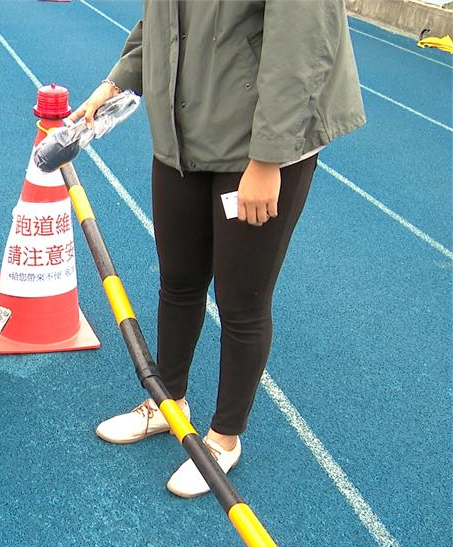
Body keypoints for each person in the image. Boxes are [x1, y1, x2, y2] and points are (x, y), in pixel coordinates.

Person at [70, 0, 365, 497]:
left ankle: (225, 438)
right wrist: (116, 82)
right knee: (179, 278)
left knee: (241, 299)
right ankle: (168, 404)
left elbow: (301, 49)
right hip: (184, 127)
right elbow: (162, 23)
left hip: (261, 145)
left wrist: (270, 159)